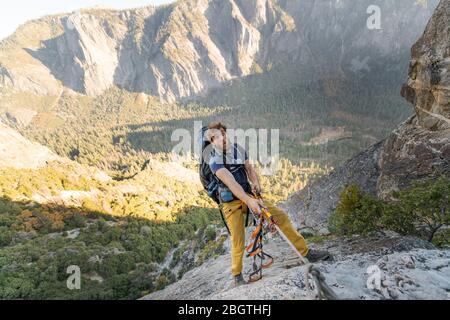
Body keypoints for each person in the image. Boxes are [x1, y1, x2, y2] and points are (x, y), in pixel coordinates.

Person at [204, 122, 330, 287]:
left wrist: (256, 183)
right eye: (217, 137)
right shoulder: (214, 160)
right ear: (212, 142)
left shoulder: (237, 149)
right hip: (231, 202)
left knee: (280, 216)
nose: (223, 138)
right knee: (238, 238)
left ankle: (305, 252)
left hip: (249, 195)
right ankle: (236, 275)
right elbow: (231, 183)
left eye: (223, 134)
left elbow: (249, 168)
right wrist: (250, 201)